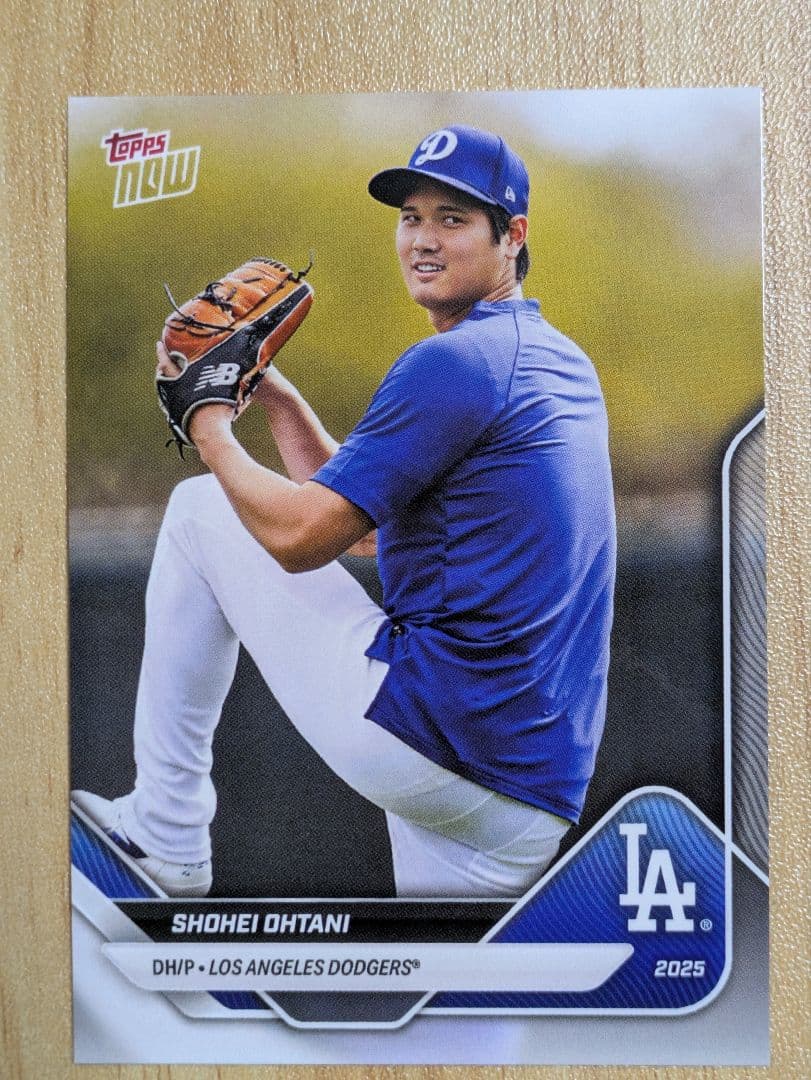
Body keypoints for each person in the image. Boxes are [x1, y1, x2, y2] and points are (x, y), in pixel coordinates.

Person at [73, 125, 616, 900]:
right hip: (528, 797)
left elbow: (301, 539)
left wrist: (208, 422)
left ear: (513, 235)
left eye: (453, 219)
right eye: (411, 217)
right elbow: (366, 531)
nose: (422, 239)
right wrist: (275, 397)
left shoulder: (454, 361)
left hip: (435, 733)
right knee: (446, 985)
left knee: (200, 510)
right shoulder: (554, 359)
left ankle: (164, 834)